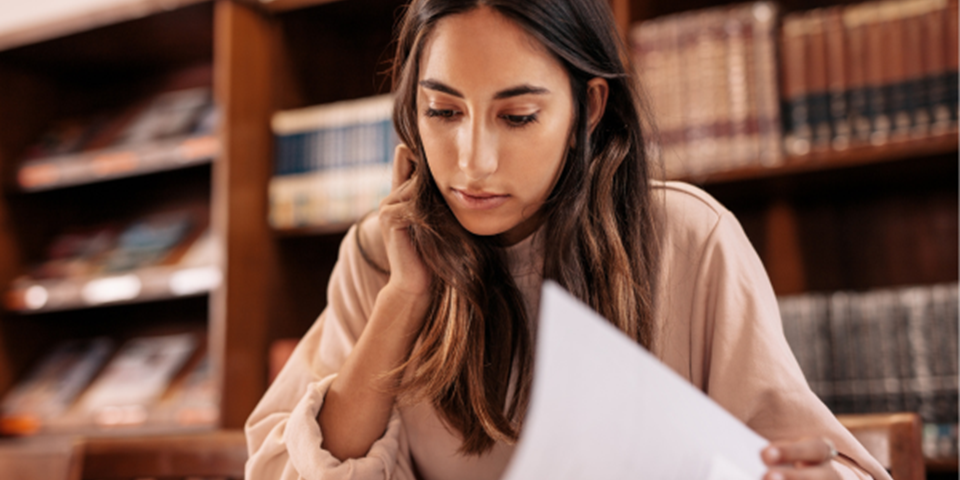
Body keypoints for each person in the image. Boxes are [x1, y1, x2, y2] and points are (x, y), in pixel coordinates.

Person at [245, 1, 892, 479]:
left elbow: (825, 466)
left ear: (589, 107)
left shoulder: (689, 241)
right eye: (442, 111)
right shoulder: (382, 255)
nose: (473, 162)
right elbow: (283, 468)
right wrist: (404, 300)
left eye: (518, 116)